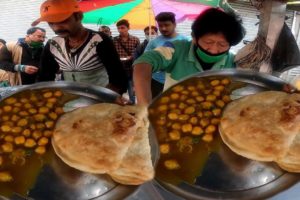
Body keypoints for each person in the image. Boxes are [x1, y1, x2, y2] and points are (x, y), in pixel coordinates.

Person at [133, 8, 246, 105]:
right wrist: (144, 105)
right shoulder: (176, 49)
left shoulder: (234, 61)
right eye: (208, 42)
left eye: (222, 44)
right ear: (194, 38)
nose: (214, 50)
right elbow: (143, 63)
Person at [32, 0, 128, 95]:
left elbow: (118, 78)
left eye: (63, 21)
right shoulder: (53, 45)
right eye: (51, 23)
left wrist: (108, 97)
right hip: (69, 100)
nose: (56, 28)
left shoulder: (99, 40)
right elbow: (44, 77)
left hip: (100, 101)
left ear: (78, 16)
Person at [145, 12, 189, 98]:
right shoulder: (154, 42)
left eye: (167, 25)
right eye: (160, 26)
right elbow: (146, 60)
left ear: (174, 24)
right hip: (157, 82)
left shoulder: (185, 41)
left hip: (177, 81)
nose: (163, 28)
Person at [113, 19, 140, 102]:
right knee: (118, 92)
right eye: (118, 28)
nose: (120, 30)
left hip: (131, 69)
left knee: (132, 91)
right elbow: (111, 54)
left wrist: (131, 57)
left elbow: (138, 54)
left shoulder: (135, 39)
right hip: (118, 70)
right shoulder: (114, 40)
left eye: (122, 28)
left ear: (128, 28)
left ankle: (132, 106)